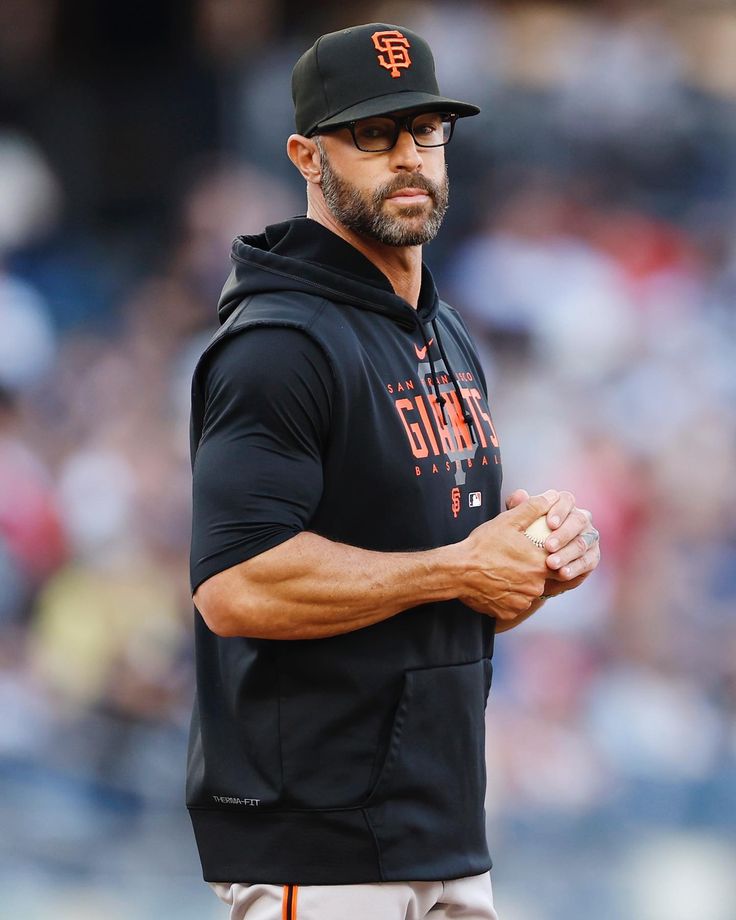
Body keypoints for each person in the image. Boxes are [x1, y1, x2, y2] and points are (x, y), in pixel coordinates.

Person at [187, 21, 601, 920]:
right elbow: (236, 584)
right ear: (307, 154)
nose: (409, 158)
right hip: (319, 834)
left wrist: (539, 558)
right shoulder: (278, 343)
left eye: (426, 131)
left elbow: (450, 563)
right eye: (374, 135)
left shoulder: (443, 329)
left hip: (443, 818)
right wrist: (459, 567)